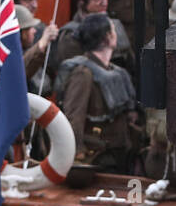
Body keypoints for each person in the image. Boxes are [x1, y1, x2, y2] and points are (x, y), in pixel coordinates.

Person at [53, 13, 142, 173]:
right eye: (113, 30)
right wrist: (77, 156)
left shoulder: (116, 72)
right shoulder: (83, 74)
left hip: (119, 156)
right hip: (98, 159)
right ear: (108, 37)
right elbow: (74, 117)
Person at [50, 0, 134, 78]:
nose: (105, 3)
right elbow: (74, 74)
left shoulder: (115, 25)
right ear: (82, 2)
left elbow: (130, 64)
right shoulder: (71, 35)